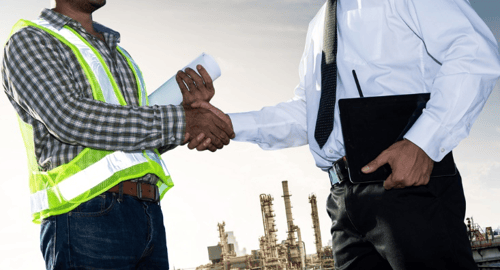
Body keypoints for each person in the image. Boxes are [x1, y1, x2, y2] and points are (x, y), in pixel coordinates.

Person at [178, 0, 500, 269]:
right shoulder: (320, 24)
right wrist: (227, 124)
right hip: (344, 203)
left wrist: (424, 143)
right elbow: (308, 115)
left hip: (405, 187)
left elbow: (475, 54)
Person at [2, 0, 233, 268]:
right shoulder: (30, 40)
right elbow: (69, 117)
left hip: (148, 213)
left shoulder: (120, 56)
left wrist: (185, 117)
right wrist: (182, 121)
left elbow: (131, 140)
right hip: (86, 216)